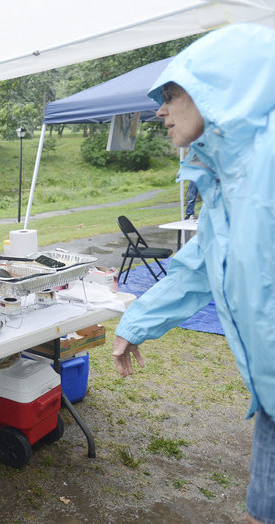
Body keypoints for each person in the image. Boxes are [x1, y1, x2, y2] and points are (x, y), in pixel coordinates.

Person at [110, 24, 275, 524]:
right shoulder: (226, 183)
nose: (159, 109)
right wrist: (134, 323)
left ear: (221, 90)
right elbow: (196, 269)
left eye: (173, 93)